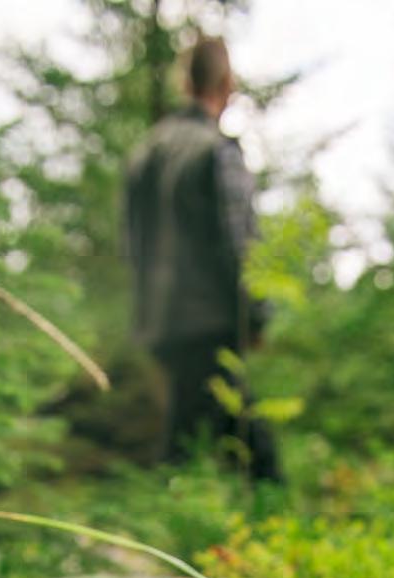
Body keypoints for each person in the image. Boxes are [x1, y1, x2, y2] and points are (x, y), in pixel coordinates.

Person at [125, 36, 280, 481]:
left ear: (183, 81)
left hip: (160, 321)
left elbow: (131, 245)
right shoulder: (216, 151)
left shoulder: (144, 154)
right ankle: (271, 524)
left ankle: (198, 523)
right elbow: (240, 244)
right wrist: (256, 315)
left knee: (200, 427)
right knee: (247, 447)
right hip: (210, 321)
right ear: (226, 83)